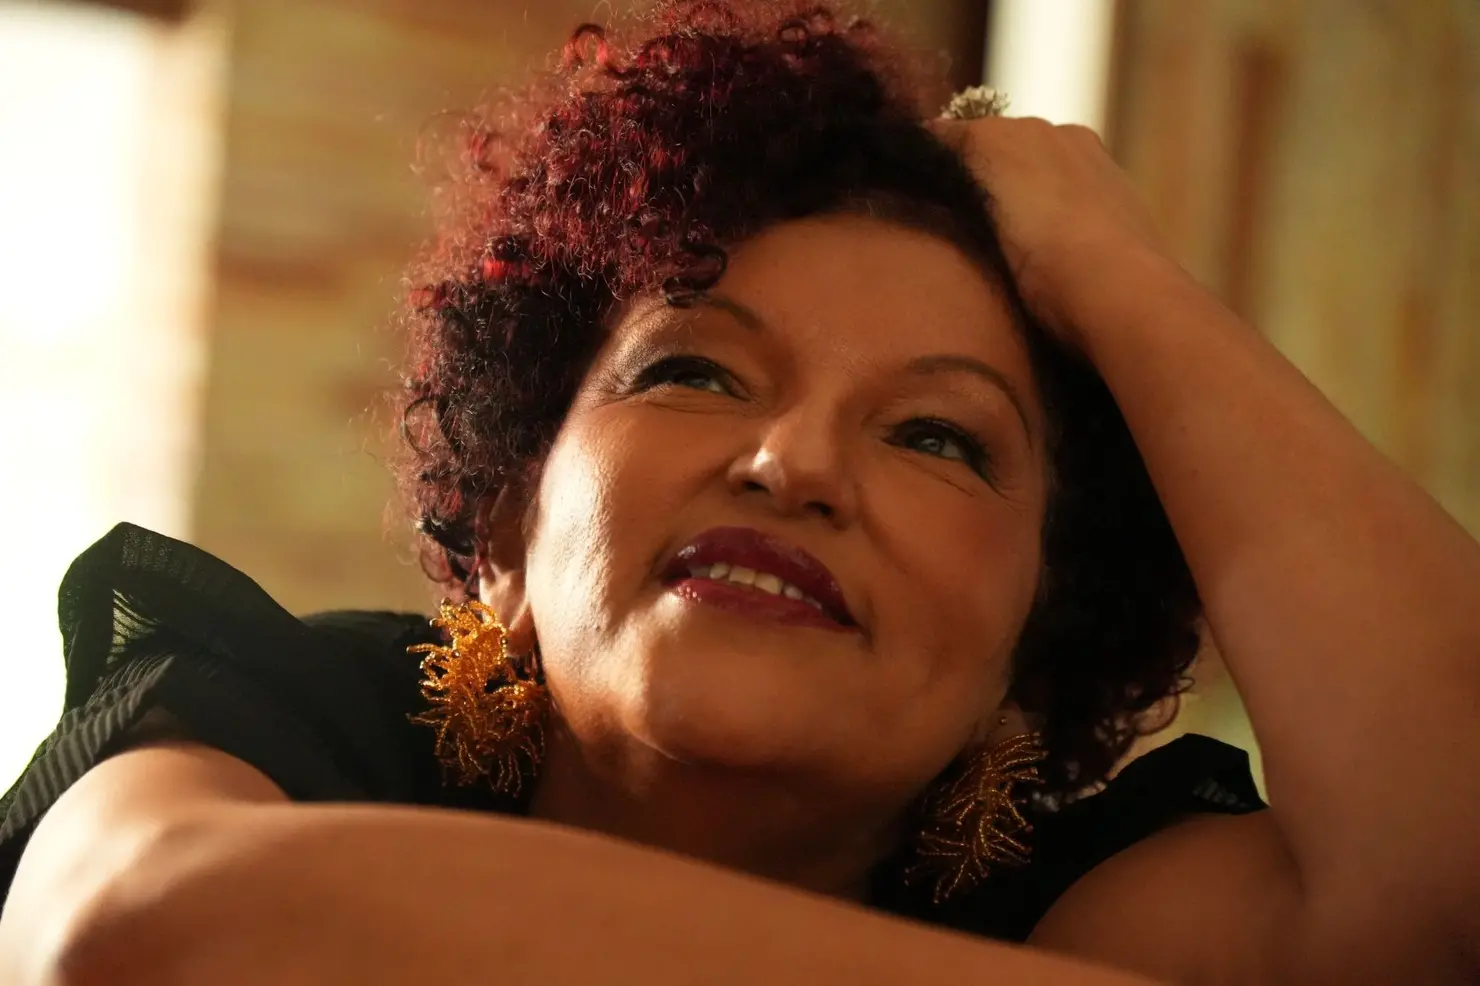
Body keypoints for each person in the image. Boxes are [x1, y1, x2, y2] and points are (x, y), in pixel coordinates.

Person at [1, 1, 1477, 983]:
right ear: (508, 525)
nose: (795, 463)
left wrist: (1126, 280)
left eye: (939, 437)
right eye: (697, 371)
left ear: (1039, 637)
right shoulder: (301, 720)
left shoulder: (1071, 891)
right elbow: (141, 931)